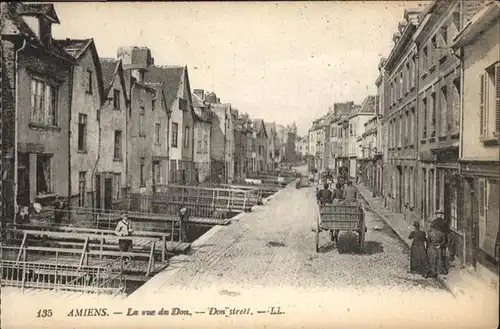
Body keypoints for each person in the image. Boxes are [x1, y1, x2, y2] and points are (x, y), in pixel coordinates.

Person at [430, 209, 450, 274]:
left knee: (434, 255)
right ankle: (442, 269)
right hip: (443, 240)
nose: (440, 215)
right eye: (440, 214)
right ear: (440, 215)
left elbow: (431, 230)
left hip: (435, 240)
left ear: (436, 215)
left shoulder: (433, 222)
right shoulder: (444, 222)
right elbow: (448, 231)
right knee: (442, 255)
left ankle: (434, 269)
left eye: (440, 214)